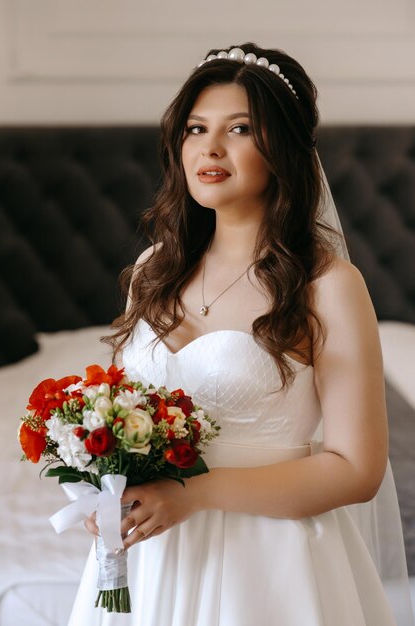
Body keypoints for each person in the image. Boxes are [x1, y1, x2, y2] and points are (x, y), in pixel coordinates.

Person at [68, 43, 414, 626]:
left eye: (241, 128)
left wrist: (194, 495)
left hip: (271, 563)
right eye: (197, 128)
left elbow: (358, 469)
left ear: (280, 149)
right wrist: (110, 489)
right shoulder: (154, 270)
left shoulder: (326, 284)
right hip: (155, 557)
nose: (210, 146)